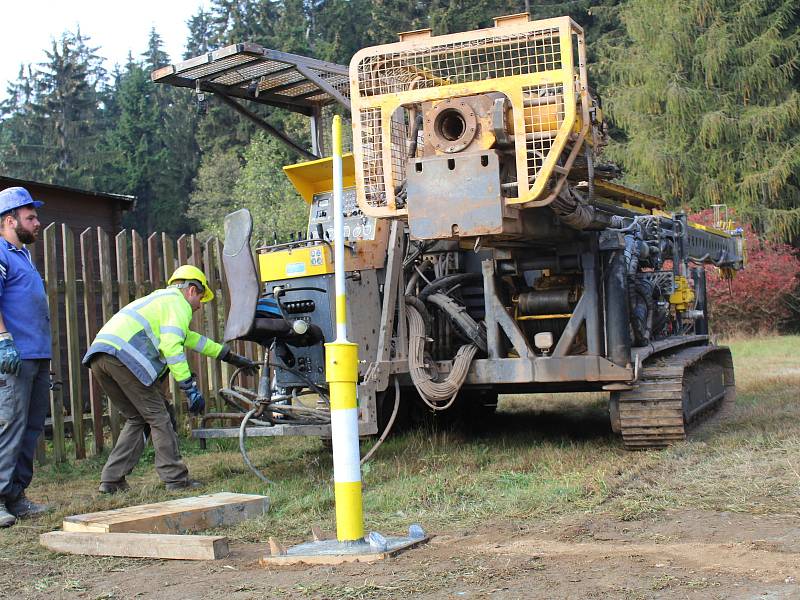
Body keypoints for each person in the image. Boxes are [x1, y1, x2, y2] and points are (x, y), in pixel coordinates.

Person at [83, 264, 257, 493]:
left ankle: (111, 480)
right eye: (201, 298)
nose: (200, 305)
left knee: (138, 418)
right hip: (123, 358)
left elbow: (192, 339)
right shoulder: (178, 304)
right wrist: (189, 387)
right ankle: (176, 479)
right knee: (159, 417)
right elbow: (172, 346)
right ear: (192, 290)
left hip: (100, 357)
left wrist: (231, 357)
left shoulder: (161, 301)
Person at [0, 187, 52, 528]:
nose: (37, 222)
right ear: (9, 220)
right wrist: (4, 339)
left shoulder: (22, 256)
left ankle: (16, 496)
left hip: (36, 354)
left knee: (31, 428)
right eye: (30, 217)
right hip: (13, 357)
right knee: (9, 425)